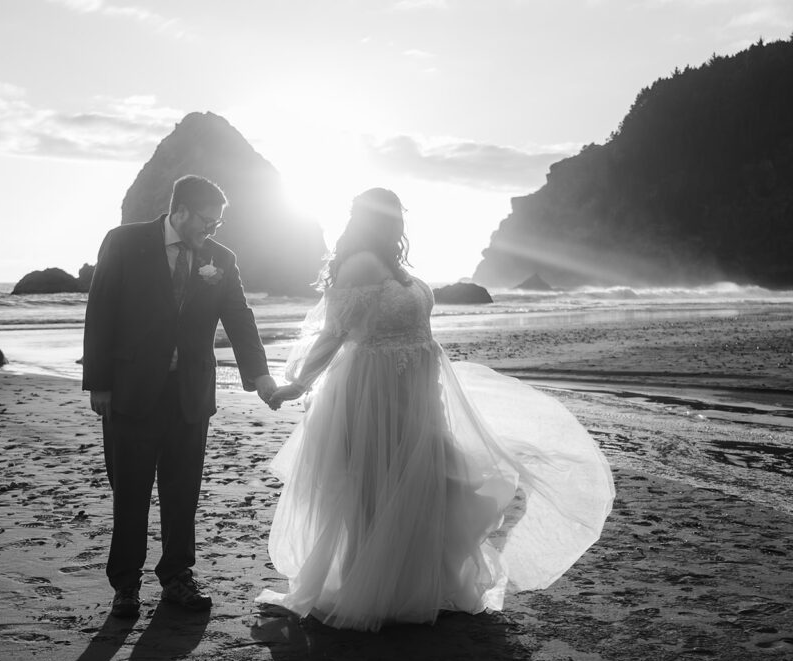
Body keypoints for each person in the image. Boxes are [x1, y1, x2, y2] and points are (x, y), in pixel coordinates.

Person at [258, 188, 615, 632]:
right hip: (376, 394)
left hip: (416, 392)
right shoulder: (361, 264)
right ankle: (366, 590)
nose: (401, 223)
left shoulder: (391, 264)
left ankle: (417, 585)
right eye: (394, 216)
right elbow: (333, 333)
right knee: (376, 492)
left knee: (428, 485)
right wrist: (297, 384)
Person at [84, 175, 277, 618]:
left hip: (190, 392)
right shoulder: (124, 242)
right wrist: (99, 383)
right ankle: (125, 585)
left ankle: (177, 576)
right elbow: (101, 311)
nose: (212, 229)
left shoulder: (221, 258)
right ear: (182, 210)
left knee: (182, 490)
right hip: (130, 389)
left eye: (218, 222)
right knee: (129, 491)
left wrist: (260, 375)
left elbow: (239, 318)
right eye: (207, 220)